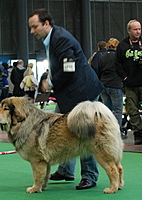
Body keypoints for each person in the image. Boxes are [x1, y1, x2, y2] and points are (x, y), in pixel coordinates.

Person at [28, 8, 104, 190]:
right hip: (68, 94)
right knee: (58, 130)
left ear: (46, 24)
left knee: (83, 134)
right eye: (31, 28)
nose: (32, 31)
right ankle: (66, 170)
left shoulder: (61, 38)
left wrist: (50, 82)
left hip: (81, 93)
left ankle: (89, 176)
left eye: (34, 27)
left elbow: (69, 71)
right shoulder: (51, 38)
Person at [115, 19, 142, 145]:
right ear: (129, 31)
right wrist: (124, 77)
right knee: (132, 110)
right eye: (135, 29)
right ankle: (138, 132)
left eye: (139, 29)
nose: (138, 32)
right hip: (130, 84)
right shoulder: (122, 45)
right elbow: (117, 63)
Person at [98, 38, 127, 139]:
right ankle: (117, 132)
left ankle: (106, 131)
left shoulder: (102, 57)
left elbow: (99, 71)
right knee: (118, 110)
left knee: (107, 110)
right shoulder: (118, 57)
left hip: (103, 86)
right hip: (115, 85)